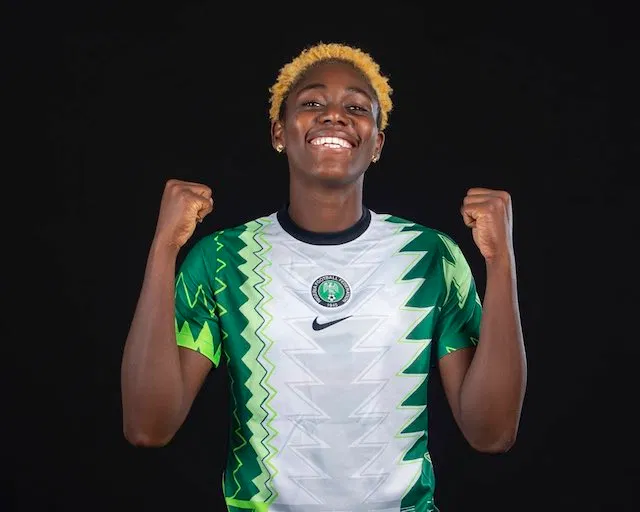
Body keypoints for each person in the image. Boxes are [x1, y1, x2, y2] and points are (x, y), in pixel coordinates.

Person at [121, 42, 527, 512]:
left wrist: (501, 262)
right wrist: (164, 248)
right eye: (312, 102)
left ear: (376, 143)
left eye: (356, 107)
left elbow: (491, 433)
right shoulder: (221, 259)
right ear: (279, 132)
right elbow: (148, 427)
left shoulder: (430, 255)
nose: (334, 115)